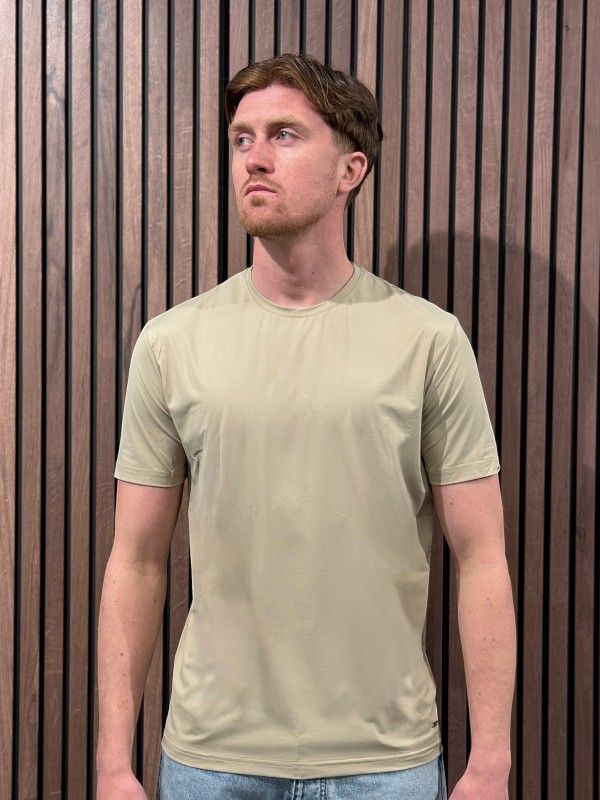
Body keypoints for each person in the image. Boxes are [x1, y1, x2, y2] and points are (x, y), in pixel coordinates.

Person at [96, 53, 516, 800]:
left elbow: (482, 557)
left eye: (284, 135)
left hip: (385, 764)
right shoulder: (171, 342)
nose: (253, 158)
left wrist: (491, 762)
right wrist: (111, 763)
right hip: (211, 762)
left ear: (351, 169)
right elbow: (136, 560)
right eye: (241, 138)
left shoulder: (428, 340)